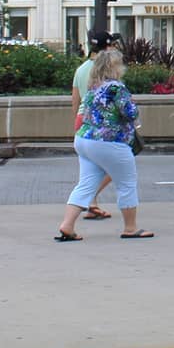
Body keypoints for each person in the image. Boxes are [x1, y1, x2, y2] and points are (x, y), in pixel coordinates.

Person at [56, 48, 153, 240]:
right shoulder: (117, 88)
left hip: (84, 138)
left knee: (85, 184)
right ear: (114, 67)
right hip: (109, 142)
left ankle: (67, 225)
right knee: (126, 183)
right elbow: (130, 113)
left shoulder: (94, 87)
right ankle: (130, 228)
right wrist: (134, 106)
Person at [70, 31, 115, 221]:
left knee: (88, 167)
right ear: (107, 47)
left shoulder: (81, 69)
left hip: (82, 119)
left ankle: (92, 204)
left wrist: (76, 122)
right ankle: (87, 198)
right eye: (112, 45)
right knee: (116, 164)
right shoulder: (106, 70)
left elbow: (75, 99)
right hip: (100, 121)